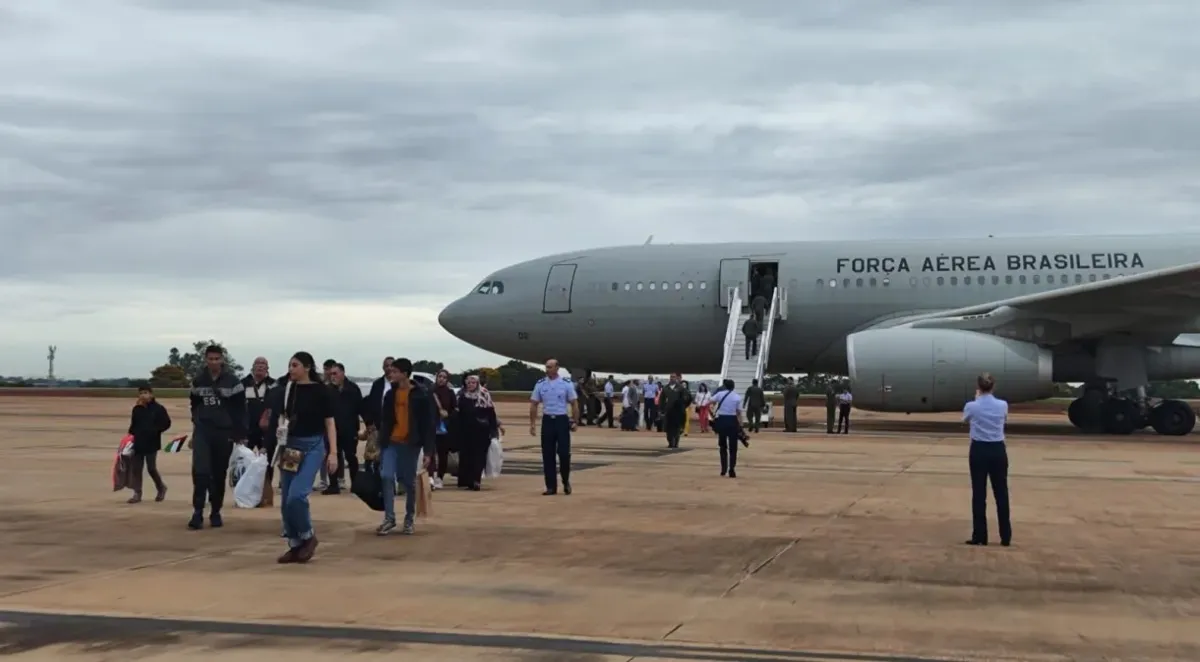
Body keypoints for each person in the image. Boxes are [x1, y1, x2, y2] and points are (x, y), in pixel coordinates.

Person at [272, 352, 339, 563]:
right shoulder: (288, 389)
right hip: (291, 447)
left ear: (307, 367)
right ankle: (294, 543)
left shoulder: (321, 391)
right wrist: (280, 429)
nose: (291, 369)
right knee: (285, 501)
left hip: (312, 447)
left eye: (295, 365)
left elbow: (330, 422)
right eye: (290, 365)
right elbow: (283, 414)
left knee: (297, 495)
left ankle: (308, 536)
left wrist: (333, 453)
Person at [187, 344, 246, 530]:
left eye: (216, 359)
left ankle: (215, 511)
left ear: (222, 360)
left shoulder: (233, 382)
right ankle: (197, 512)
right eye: (210, 359)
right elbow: (194, 405)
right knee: (201, 472)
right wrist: (196, 425)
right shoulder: (198, 381)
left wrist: (239, 434)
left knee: (218, 474)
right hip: (203, 431)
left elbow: (240, 410)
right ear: (205, 360)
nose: (213, 362)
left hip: (224, 433)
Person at [376, 358, 437, 535]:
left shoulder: (421, 394)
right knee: (386, 476)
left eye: (394, 371)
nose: (391, 374)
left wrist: (428, 451)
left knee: (408, 482)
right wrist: (381, 442)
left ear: (404, 374)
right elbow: (385, 420)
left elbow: (428, 424)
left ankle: (409, 518)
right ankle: (389, 518)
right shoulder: (390, 394)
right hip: (391, 443)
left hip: (410, 444)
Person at [962, 373, 1012, 547]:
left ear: (978, 386)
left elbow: (965, 419)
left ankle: (980, 536)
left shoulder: (971, 406)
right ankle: (1005, 536)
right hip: (998, 449)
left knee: (979, 494)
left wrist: (977, 400)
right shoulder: (1002, 405)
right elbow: (1004, 419)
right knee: (1001, 493)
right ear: (993, 386)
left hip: (979, 449)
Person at [529, 359, 577, 496]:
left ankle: (565, 480)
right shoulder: (540, 384)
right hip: (547, 421)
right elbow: (534, 404)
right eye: (546, 367)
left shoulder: (566, 384)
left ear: (557, 368)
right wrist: (532, 424)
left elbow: (574, 403)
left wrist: (575, 421)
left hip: (561, 420)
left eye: (550, 367)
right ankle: (551, 486)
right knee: (547, 455)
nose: (547, 369)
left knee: (564, 454)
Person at [456, 374, 503, 490]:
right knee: (467, 456)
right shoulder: (462, 395)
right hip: (465, 431)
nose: (470, 385)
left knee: (479, 456)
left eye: (473, 383)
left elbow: (491, 413)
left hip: (481, 431)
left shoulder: (484, 394)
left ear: (477, 384)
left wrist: (494, 430)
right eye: (469, 383)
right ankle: (468, 481)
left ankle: (476, 480)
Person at [323, 363, 363, 495]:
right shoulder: (328, 390)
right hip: (333, 430)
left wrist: (368, 425)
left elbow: (360, 408)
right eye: (331, 374)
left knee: (351, 457)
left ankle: (356, 484)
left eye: (335, 373)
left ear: (342, 373)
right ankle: (333, 485)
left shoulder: (353, 389)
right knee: (333, 456)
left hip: (350, 429)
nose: (332, 376)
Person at [127, 386, 171, 504]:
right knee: (137, 469)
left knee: (151, 468)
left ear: (151, 394)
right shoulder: (137, 409)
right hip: (138, 442)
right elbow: (133, 425)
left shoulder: (158, 409)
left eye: (145, 393)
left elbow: (166, 423)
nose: (143, 395)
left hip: (152, 442)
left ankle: (161, 487)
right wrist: (130, 437)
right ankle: (137, 493)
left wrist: (155, 430)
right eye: (141, 393)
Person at [710, 379, 747, 477]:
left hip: (722, 420)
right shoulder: (737, 397)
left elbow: (710, 401)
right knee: (733, 447)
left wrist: (712, 412)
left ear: (725, 386)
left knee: (722, 446)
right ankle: (732, 469)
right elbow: (739, 413)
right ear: (733, 387)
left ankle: (723, 469)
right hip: (732, 421)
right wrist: (741, 425)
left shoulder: (720, 394)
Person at [241, 357, 276, 457]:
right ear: (252, 367)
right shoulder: (243, 384)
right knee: (244, 461)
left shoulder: (274, 385)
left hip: (267, 430)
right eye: (257, 363)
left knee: (267, 462)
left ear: (267, 368)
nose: (260, 366)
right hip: (247, 429)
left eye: (263, 364)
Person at [430, 369, 458, 490]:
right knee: (430, 454)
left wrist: (448, 415)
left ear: (447, 380)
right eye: (440, 376)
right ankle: (430, 476)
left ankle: (439, 477)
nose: (441, 379)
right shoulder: (430, 391)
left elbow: (455, 410)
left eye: (444, 377)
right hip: (431, 426)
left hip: (444, 428)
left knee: (442, 454)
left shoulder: (450, 393)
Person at [361, 356, 394, 437]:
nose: (389, 368)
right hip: (379, 426)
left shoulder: (400, 384)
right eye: (386, 366)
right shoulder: (377, 384)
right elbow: (371, 404)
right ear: (383, 368)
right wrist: (369, 423)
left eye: (391, 365)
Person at [660, 373, 691, 448]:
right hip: (669, 411)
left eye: (674, 377)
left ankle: (676, 443)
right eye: (671, 377)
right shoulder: (665, 388)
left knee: (677, 428)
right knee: (668, 428)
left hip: (678, 412)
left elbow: (688, 398)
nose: (672, 378)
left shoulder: (680, 388)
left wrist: (683, 407)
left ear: (676, 378)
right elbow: (662, 400)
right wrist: (661, 409)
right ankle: (670, 442)